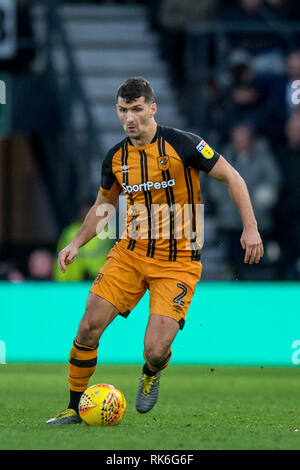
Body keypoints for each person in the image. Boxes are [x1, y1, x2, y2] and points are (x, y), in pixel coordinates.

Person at [46, 77, 263, 425]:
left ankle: (150, 372)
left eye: (136, 109)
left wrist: (250, 227)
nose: (129, 117)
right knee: (88, 327)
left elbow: (233, 178)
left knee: (155, 349)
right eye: (122, 110)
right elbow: (104, 207)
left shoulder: (185, 144)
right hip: (129, 255)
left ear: (152, 108)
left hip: (177, 263)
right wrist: (75, 243)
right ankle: (74, 407)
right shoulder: (116, 157)